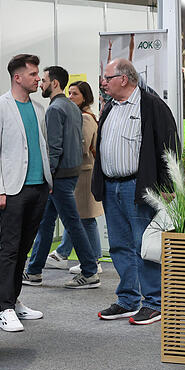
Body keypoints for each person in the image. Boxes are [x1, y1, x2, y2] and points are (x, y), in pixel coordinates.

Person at [92, 58, 179, 325]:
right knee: (119, 245)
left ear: (124, 79)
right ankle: (128, 299)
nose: (103, 82)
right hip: (111, 186)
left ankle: (154, 302)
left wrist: (166, 185)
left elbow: (169, 144)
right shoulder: (109, 107)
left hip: (138, 186)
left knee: (145, 245)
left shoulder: (151, 105)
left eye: (107, 78)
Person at [0, 54, 52, 332]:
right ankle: (5, 308)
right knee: (10, 249)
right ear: (17, 77)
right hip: (11, 191)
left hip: (39, 188)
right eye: (33, 74)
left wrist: (49, 181)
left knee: (24, 248)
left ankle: (15, 300)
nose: (38, 79)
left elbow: (41, 146)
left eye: (38, 74)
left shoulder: (38, 109)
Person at [22, 66, 100, 290]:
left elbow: (54, 148)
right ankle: (34, 271)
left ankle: (90, 272)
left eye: (44, 80)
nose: (41, 83)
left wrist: (48, 177)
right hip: (69, 174)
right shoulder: (72, 108)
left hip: (58, 178)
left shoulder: (55, 109)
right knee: (46, 223)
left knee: (73, 224)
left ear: (55, 83)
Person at [53, 81, 104, 275]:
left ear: (85, 97)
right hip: (81, 173)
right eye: (69, 93)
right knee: (76, 216)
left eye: (74, 94)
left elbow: (81, 147)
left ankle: (94, 259)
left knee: (86, 218)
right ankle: (63, 253)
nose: (70, 97)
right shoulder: (81, 116)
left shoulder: (85, 118)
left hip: (84, 174)